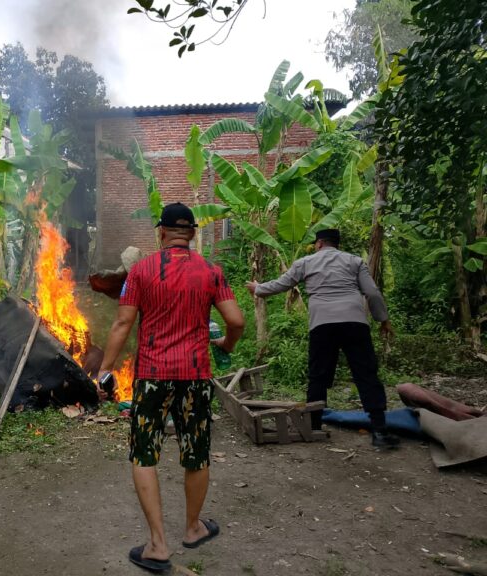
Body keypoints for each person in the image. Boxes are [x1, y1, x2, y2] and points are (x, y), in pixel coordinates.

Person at [97, 202, 245, 573]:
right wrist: (225, 346)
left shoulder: (142, 271)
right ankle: (193, 528)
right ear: (192, 233)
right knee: (196, 454)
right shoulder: (212, 271)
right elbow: (236, 320)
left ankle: (158, 544)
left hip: (152, 377)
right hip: (195, 376)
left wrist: (104, 371)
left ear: (161, 233)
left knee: (144, 455)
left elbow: (122, 324)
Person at [245, 228, 400, 449]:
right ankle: (380, 432)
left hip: (322, 325)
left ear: (318, 244)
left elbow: (282, 284)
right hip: (354, 323)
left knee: (318, 375)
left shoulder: (305, 262)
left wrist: (258, 289)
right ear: (337, 244)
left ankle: (315, 426)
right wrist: (383, 319)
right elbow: (373, 293)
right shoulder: (354, 261)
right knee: (366, 374)